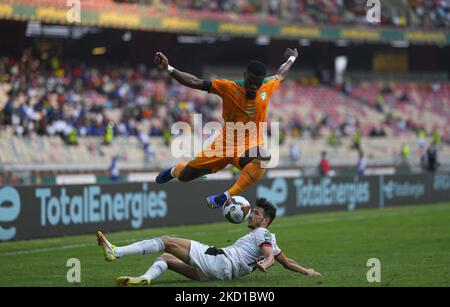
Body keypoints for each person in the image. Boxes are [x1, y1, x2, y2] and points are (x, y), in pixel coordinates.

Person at [153, 48, 299, 208]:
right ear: (244, 75)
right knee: (185, 176)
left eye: (258, 82)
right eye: (251, 81)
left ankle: (225, 196)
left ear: (262, 80)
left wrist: (292, 58)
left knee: (264, 156)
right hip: (223, 144)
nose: (254, 86)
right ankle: (174, 170)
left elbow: (281, 73)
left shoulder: (267, 86)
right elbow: (195, 82)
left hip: (248, 146)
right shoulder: (228, 87)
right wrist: (168, 68)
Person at [97, 198, 320, 286]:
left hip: (221, 261)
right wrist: (307, 271)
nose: (250, 215)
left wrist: (266, 263)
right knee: (167, 258)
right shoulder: (269, 238)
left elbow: (271, 257)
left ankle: (116, 251)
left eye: (256, 213)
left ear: (266, 220)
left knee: (167, 241)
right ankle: (143, 278)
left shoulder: (262, 235)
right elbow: (286, 261)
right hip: (219, 273)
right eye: (251, 212)